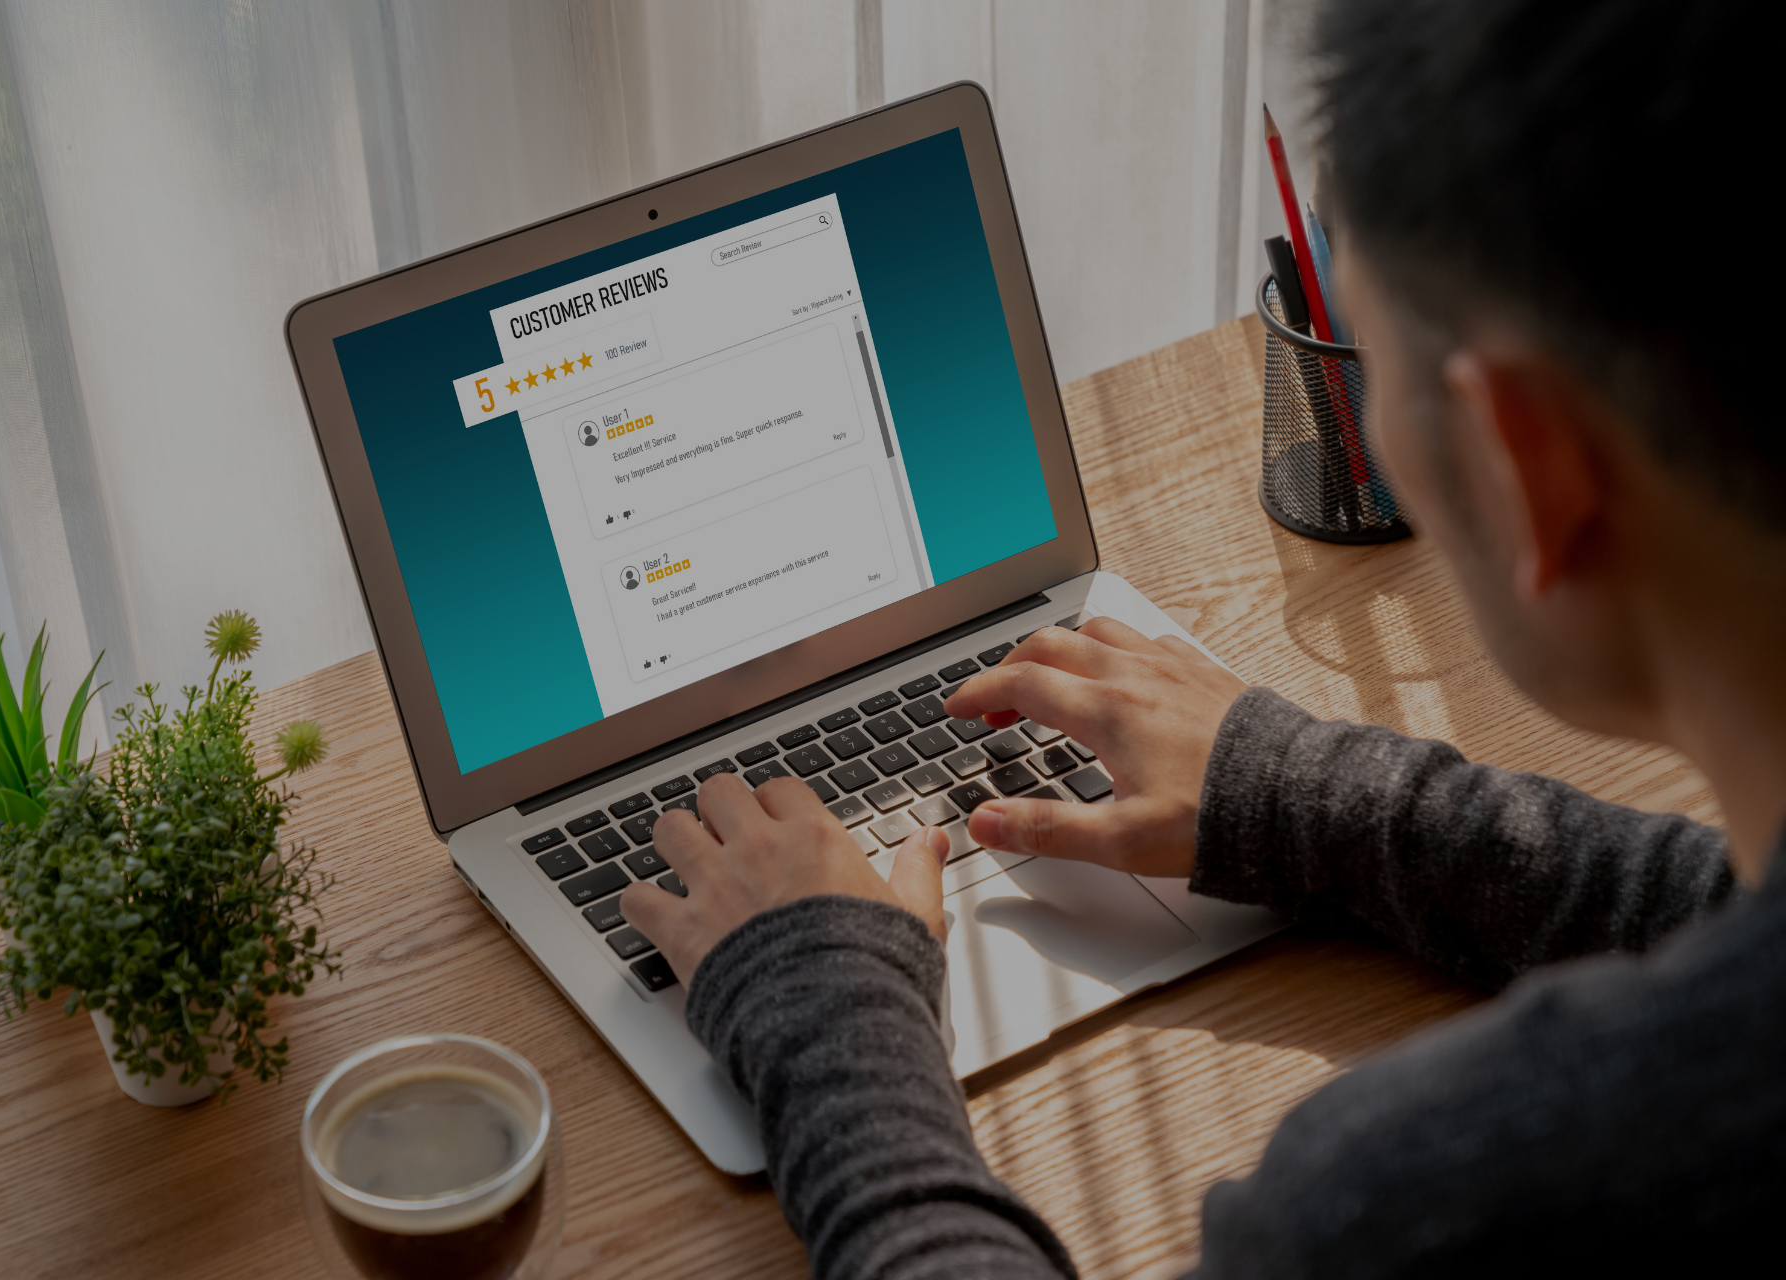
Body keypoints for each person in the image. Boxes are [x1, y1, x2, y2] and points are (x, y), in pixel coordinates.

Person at [620, 0, 1785, 1272]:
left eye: (1375, 358)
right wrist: (1315, 797)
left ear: (1523, 468)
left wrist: (821, 1007)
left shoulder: (1420, 1203)